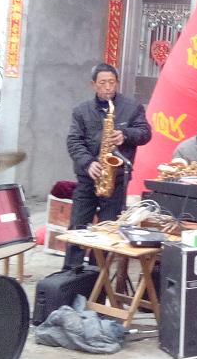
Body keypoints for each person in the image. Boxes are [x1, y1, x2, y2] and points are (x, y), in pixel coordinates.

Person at [65, 64, 152, 268]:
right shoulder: (81, 111)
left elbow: (146, 133)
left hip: (116, 180)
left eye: (111, 82)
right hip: (88, 178)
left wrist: (126, 134)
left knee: (108, 231)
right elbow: (73, 141)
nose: (108, 87)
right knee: (77, 228)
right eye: (103, 83)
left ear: (117, 83)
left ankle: (97, 276)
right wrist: (88, 163)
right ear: (93, 85)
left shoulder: (132, 107)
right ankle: (70, 273)